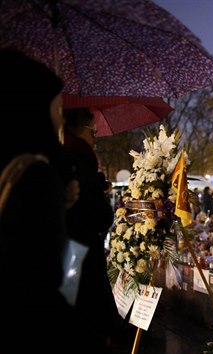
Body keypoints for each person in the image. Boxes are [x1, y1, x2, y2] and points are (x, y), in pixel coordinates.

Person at [0, 49, 101, 352]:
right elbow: (44, 278)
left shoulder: (13, 166)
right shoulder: (36, 175)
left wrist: (62, 206)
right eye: (56, 110)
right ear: (33, 111)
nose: (59, 120)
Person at [63, 107, 119, 350]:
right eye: (93, 132)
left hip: (68, 256)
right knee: (89, 325)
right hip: (80, 254)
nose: (95, 138)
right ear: (80, 130)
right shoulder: (80, 158)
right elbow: (99, 216)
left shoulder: (62, 155)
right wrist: (95, 187)